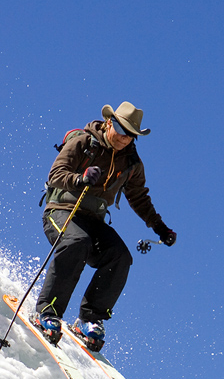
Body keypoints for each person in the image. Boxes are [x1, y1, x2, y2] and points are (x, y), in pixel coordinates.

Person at [31, 101, 176, 351]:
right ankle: (47, 312)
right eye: (121, 129)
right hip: (62, 210)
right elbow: (55, 174)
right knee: (77, 242)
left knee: (120, 257)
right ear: (110, 122)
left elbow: (139, 197)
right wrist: (79, 178)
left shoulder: (131, 163)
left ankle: (89, 319)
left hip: (92, 220)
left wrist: (159, 228)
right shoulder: (84, 143)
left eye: (131, 135)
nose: (124, 138)